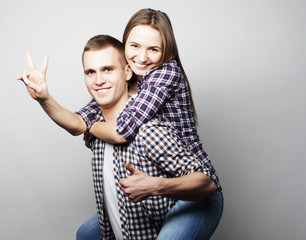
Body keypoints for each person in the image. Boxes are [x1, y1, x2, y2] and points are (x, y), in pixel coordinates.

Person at [18, 35, 219, 239]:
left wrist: (156, 185)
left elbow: (207, 184)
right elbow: (76, 124)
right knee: (85, 235)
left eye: (108, 69)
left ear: (127, 71)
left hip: (192, 204)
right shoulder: (96, 127)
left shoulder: (148, 131)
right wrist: (44, 98)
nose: (98, 80)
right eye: (90, 72)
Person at [77, 8, 223, 240]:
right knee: (87, 235)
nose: (142, 57)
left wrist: (90, 127)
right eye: (134, 46)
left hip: (193, 188)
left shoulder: (164, 73)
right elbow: (87, 113)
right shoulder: (124, 76)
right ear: (124, 45)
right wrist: (83, 121)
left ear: (166, 52)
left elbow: (118, 131)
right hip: (150, 190)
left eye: (154, 49)